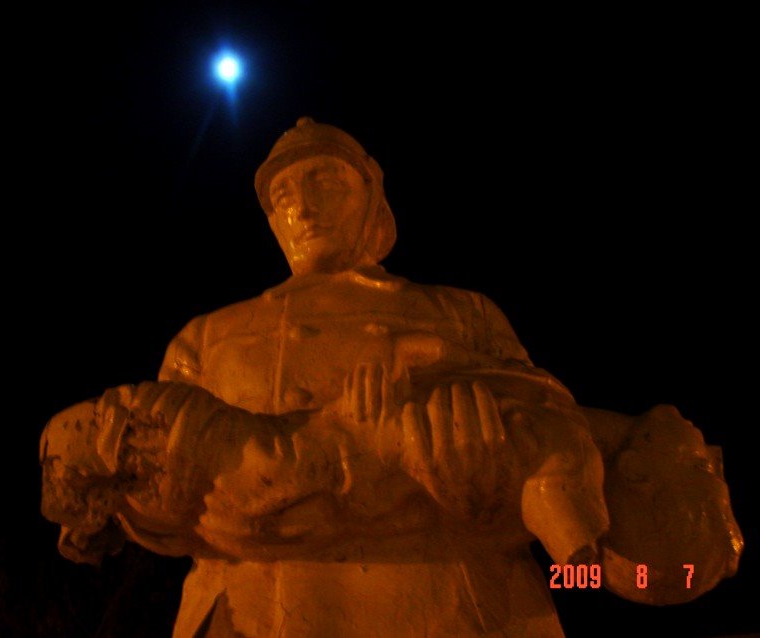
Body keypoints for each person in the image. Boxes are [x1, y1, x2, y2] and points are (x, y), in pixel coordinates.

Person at [41, 117, 742, 637]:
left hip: (457, 609)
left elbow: (545, 423)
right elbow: (173, 501)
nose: (302, 204)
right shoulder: (203, 338)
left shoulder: (456, 312)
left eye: (325, 181)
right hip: (250, 616)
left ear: (373, 199)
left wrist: (481, 491)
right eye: (283, 192)